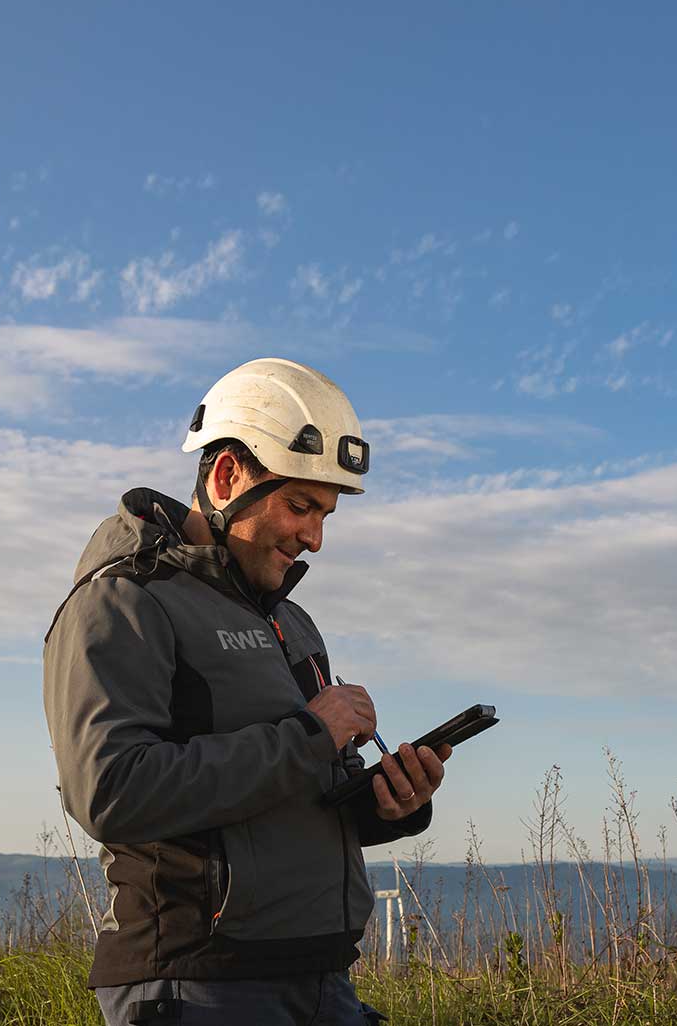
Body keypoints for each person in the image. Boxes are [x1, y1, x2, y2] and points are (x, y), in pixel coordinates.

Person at [43, 357, 450, 1025]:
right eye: (299, 505)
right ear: (229, 475)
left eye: (325, 513)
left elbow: (297, 795)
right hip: (199, 988)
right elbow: (109, 791)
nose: (314, 536)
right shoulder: (124, 601)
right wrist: (311, 735)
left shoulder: (292, 623)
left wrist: (390, 803)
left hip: (320, 978)